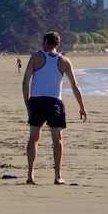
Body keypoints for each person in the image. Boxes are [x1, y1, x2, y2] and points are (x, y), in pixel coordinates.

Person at [22, 32, 87, 185]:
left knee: (34, 138)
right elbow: (75, 85)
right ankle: (58, 176)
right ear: (57, 44)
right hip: (54, 102)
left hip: (37, 101)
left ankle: (31, 174)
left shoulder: (36, 57)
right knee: (57, 140)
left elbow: (25, 81)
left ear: (45, 42)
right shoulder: (64, 61)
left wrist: (27, 102)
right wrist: (82, 107)